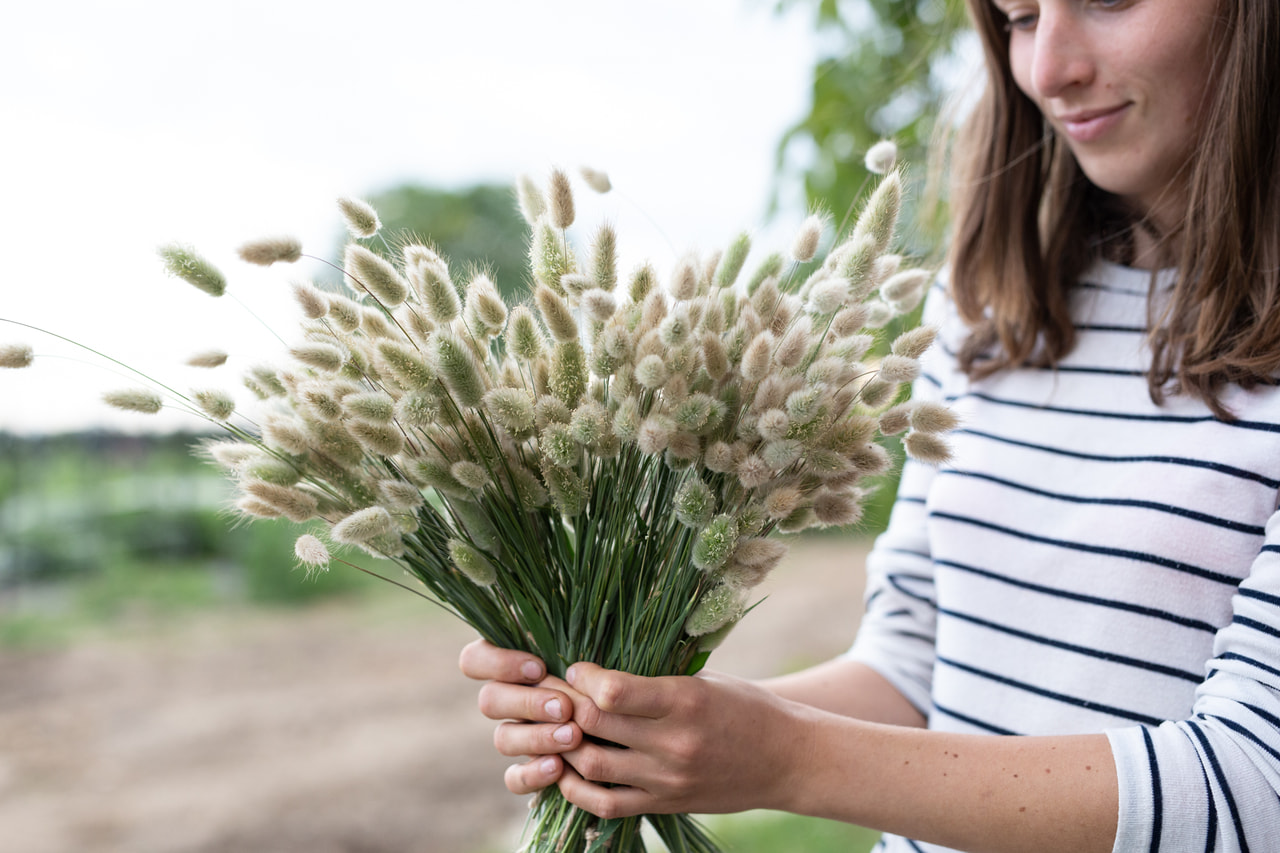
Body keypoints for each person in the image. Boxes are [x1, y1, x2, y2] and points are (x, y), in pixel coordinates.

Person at [459, 0, 1280, 850]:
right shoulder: (987, 305)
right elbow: (917, 664)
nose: (1048, 71)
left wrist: (785, 758)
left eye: (1107, 0)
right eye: (1021, 16)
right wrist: (638, 724)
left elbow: (1253, 788)